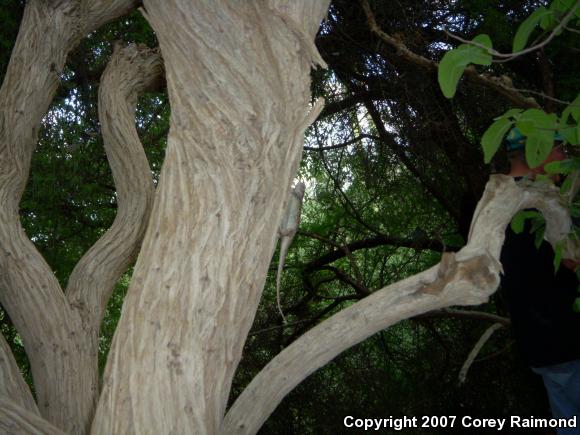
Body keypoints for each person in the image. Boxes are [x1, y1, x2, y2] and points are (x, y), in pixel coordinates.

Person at [500, 128, 580, 434]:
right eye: (558, 149)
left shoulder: (496, 201)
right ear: (537, 151)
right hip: (568, 341)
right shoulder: (539, 203)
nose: (562, 157)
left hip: (541, 348)